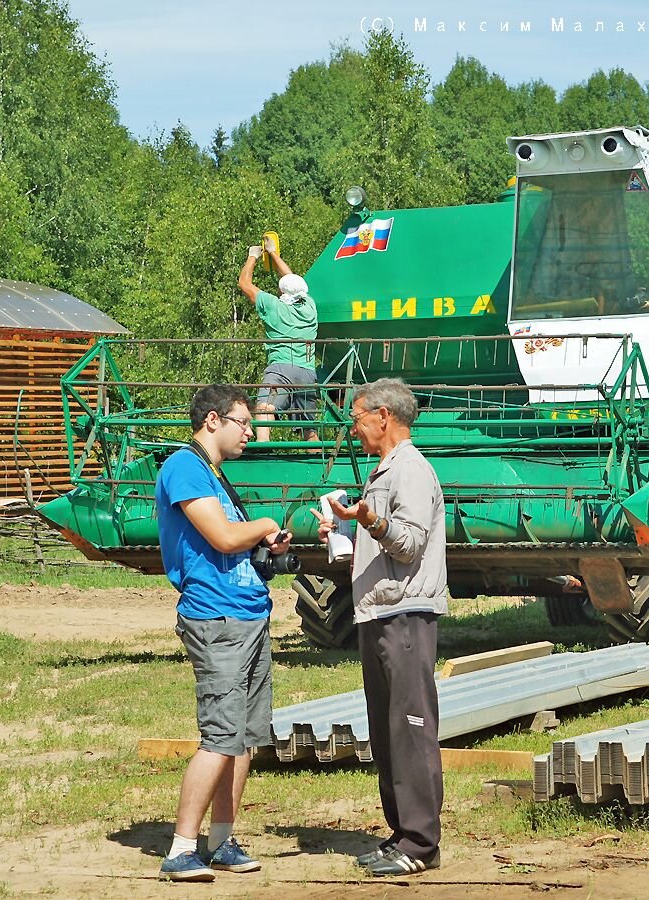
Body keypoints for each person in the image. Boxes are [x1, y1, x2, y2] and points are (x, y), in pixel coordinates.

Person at [155, 383, 292, 882]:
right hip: (216, 619)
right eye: (244, 423)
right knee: (219, 737)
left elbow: (236, 542)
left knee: (245, 738)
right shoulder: (184, 467)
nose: (251, 433)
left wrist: (266, 543)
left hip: (249, 613)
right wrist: (263, 525)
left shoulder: (215, 475)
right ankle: (181, 848)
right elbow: (223, 536)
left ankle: (221, 840)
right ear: (212, 420)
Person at [310, 378, 447, 877]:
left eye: (357, 416)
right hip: (381, 612)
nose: (353, 426)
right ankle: (401, 835)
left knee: (409, 730)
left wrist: (369, 520)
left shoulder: (410, 469)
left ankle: (420, 844)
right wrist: (347, 527)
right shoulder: (385, 469)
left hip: (404, 614)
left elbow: (409, 543)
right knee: (388, 731)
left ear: (383, 416)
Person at [238, 237, 318, 444]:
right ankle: (320, 466)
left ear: (282, 291)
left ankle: (263, 448)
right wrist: (274, 254)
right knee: (308, 428)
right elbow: (292, 278)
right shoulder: (310, 307)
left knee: (265, 408)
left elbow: (244, 283)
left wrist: (252, 256)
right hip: (308, 373)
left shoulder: (273, 306)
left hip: (281, 369)